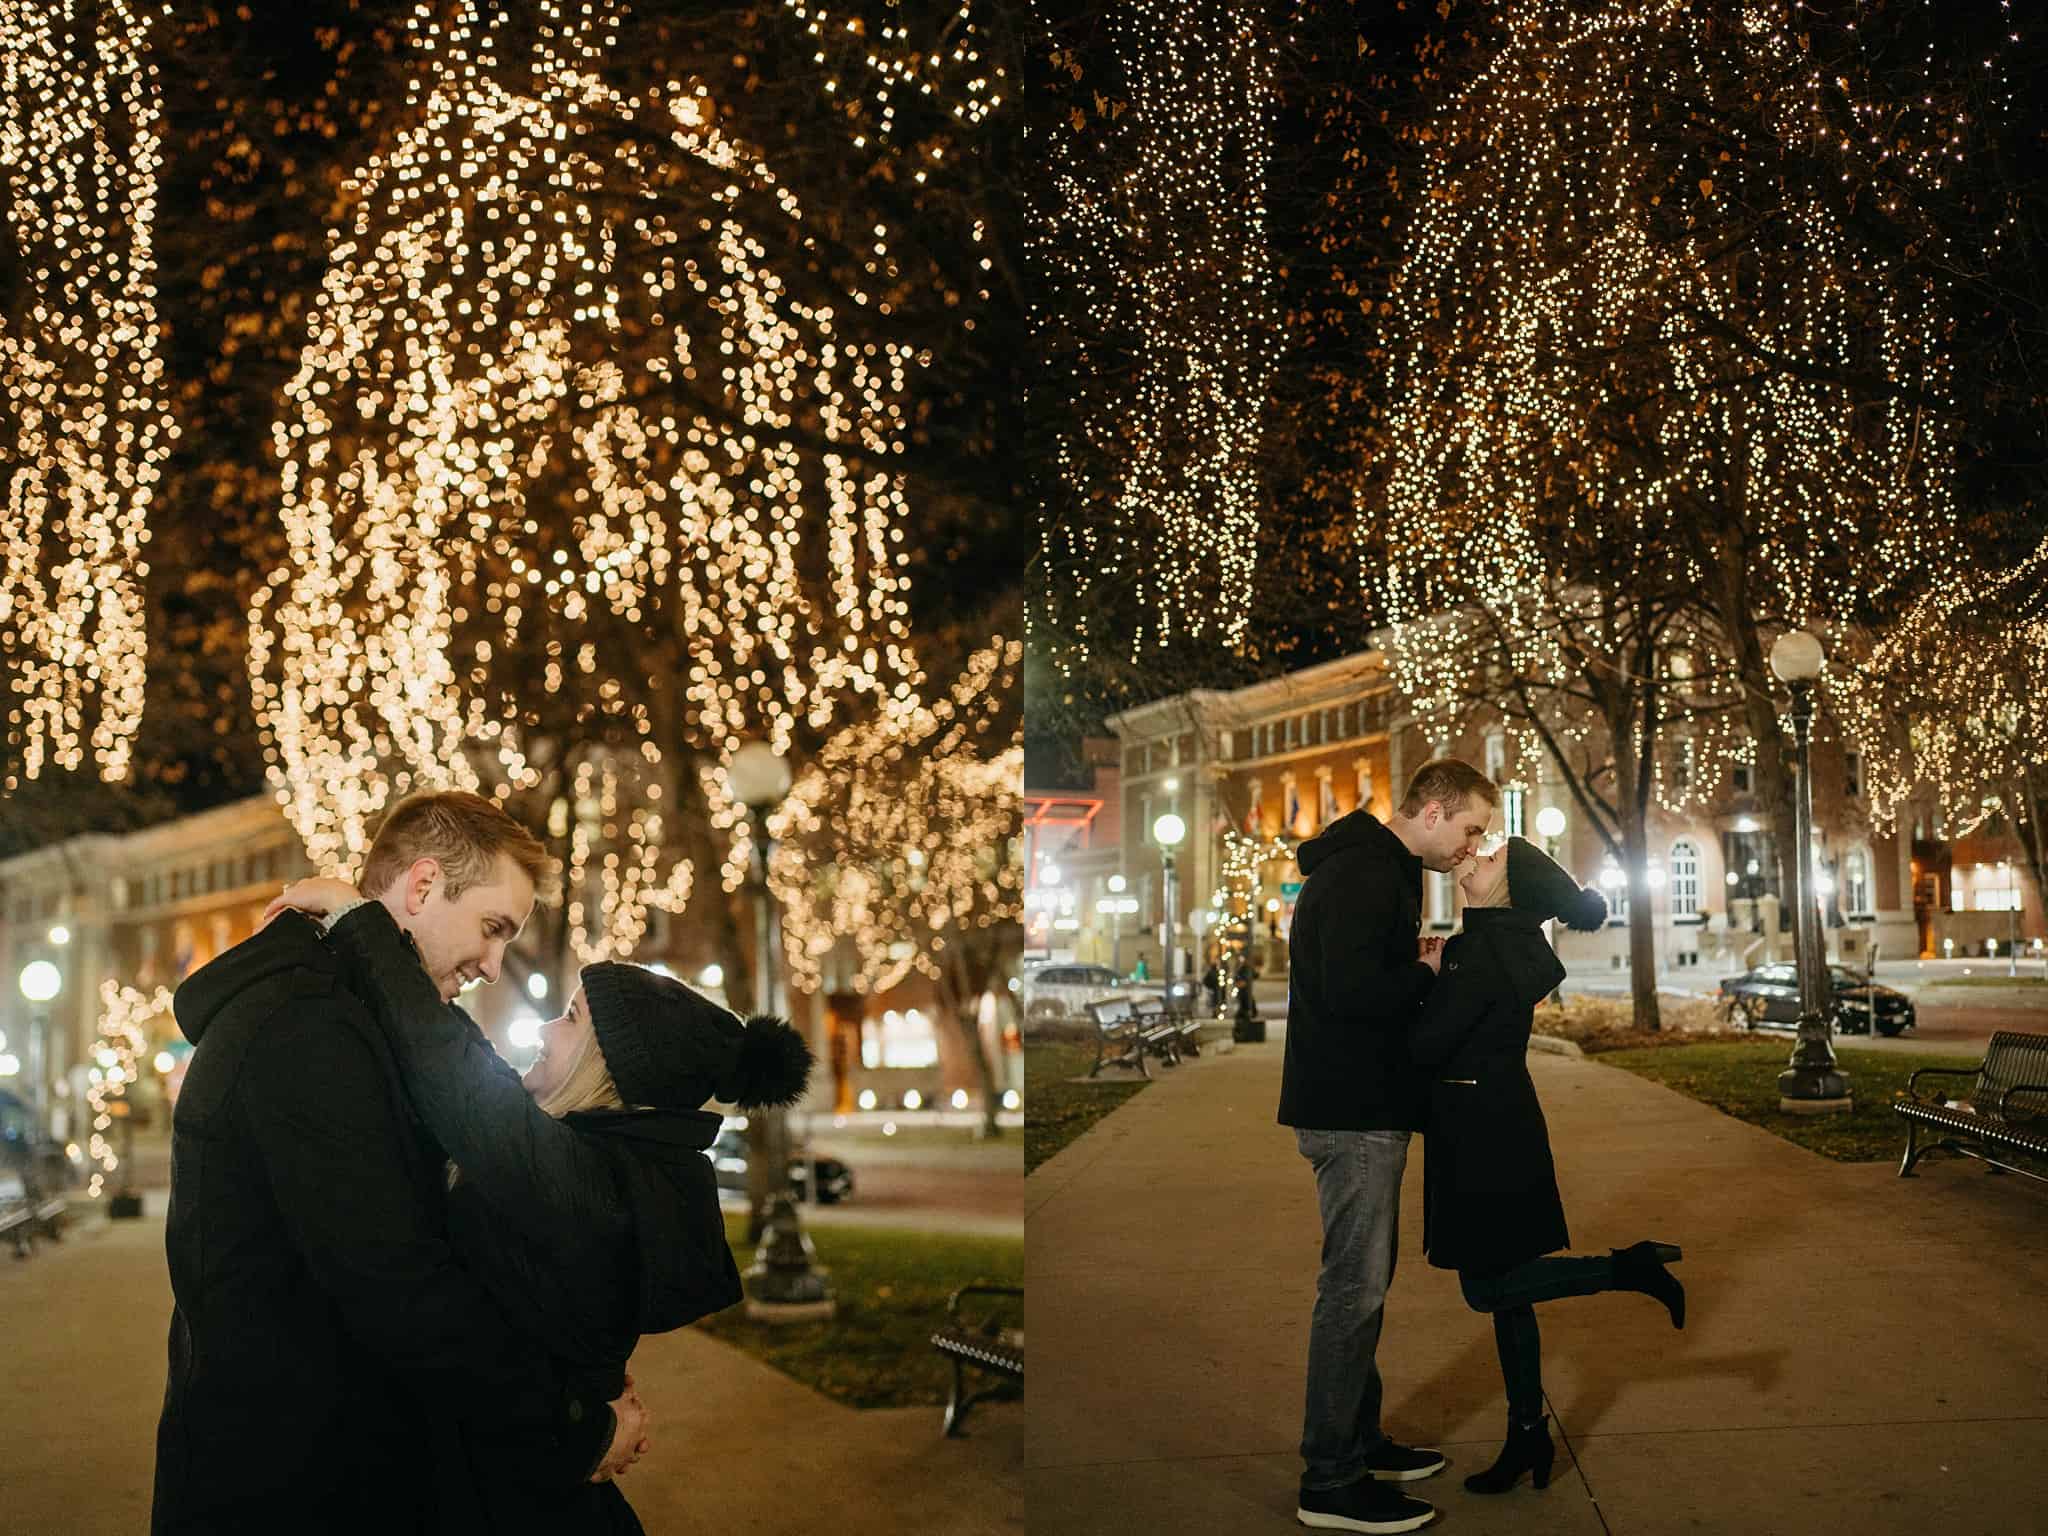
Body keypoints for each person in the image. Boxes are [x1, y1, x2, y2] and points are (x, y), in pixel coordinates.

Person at [153, 792, 645, 1536]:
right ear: (420, 887)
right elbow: (395, 1281)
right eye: (491, 928)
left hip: (334, 1463)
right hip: (288, 1484)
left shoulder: (356, 1018)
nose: (493, 964)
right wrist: (573, 1425)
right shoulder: (305, 1029)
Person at [267, 875, 814, 1534]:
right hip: (524, 1478)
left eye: (573, 1018)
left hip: (516, 1499)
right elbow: (472, 1068)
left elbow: (453, 1078)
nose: (550, 1027)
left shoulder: (584, 1183)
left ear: (607, 1071)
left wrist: (360, 920)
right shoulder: (600, 1164)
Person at [1412, 837, 1686, 1496]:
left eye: (1492, 855)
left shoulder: (1480, 953)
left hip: (1479, 1133)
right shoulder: (1497, 945)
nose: (1475, 855)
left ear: (1508, 890)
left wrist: (1424, 977)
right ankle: (1527, 1433)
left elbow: (1427, 1046)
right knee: (1510, 1292)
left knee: (1488, 1290)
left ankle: (1628, 1268)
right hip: (1498, 1124)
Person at [1279, 759, 1497, 1535]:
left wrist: (1409, 963)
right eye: (1470, 827)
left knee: (1359, 1288)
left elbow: (1353, 975)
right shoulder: (1368, 875)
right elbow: (1348, 994)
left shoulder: (1372, 869)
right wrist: (1424, 971)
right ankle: (1330, 1479)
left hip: (1356, 1104)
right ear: (1433, 810)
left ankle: (1360, 1443)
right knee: (1353, 1293)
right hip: (1351, 1110)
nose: (1472, 845)